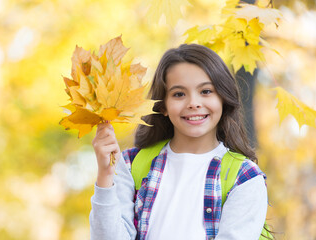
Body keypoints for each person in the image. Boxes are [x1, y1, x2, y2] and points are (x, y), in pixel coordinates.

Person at [89, 44, 268, 240]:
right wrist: (106, 175)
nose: (194, 102)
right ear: (163, 106)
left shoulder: (244, 177)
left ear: (223, 99)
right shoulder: (131, 164)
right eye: (179, 94)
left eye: (206, 91)